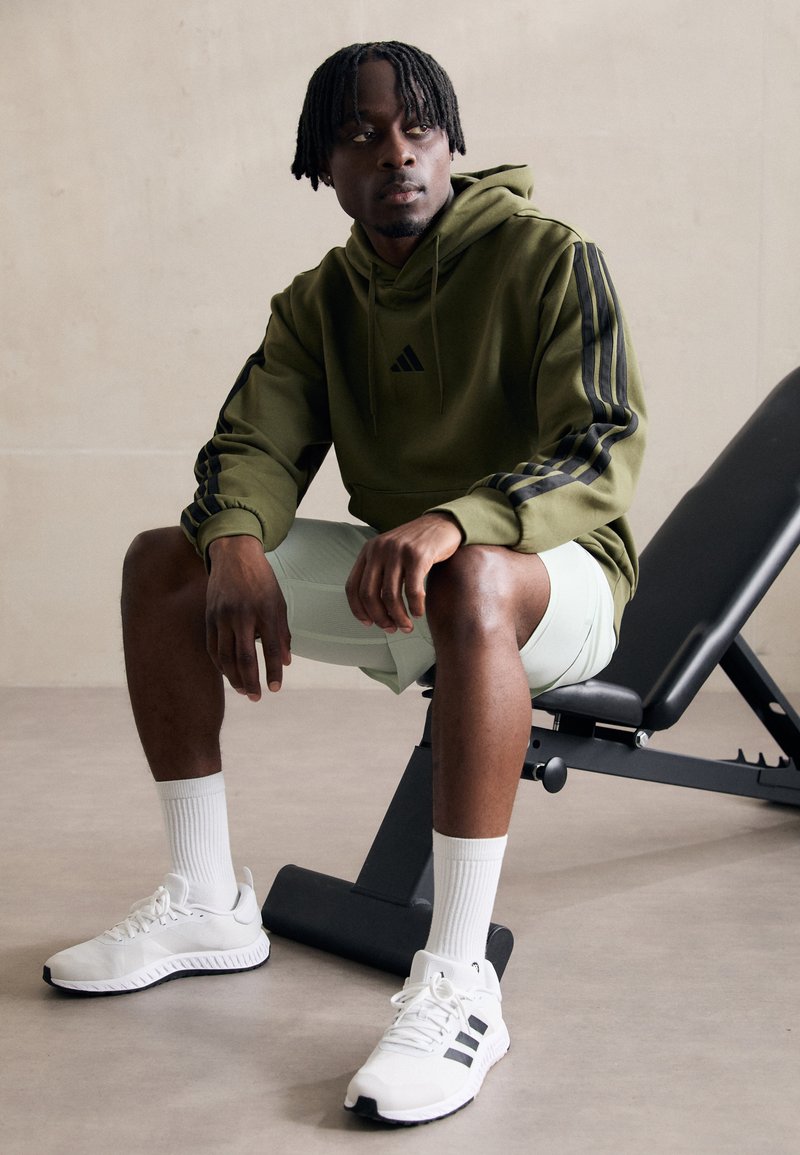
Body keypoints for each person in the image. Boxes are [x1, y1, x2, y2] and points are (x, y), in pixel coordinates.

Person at [43, 41, 645, 1125]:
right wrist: (233, 544)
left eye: (418, 130)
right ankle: (206, 898)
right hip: (401, 578)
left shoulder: (550, 259)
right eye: (363, 137)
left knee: (470, 580)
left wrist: (455, 521)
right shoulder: (319, 302)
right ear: (322, 165)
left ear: (450, 143)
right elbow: (250, 444)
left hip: (550, 585)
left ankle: (457, 978)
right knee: (163, 563)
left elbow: (600, 443)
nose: (396, 155)